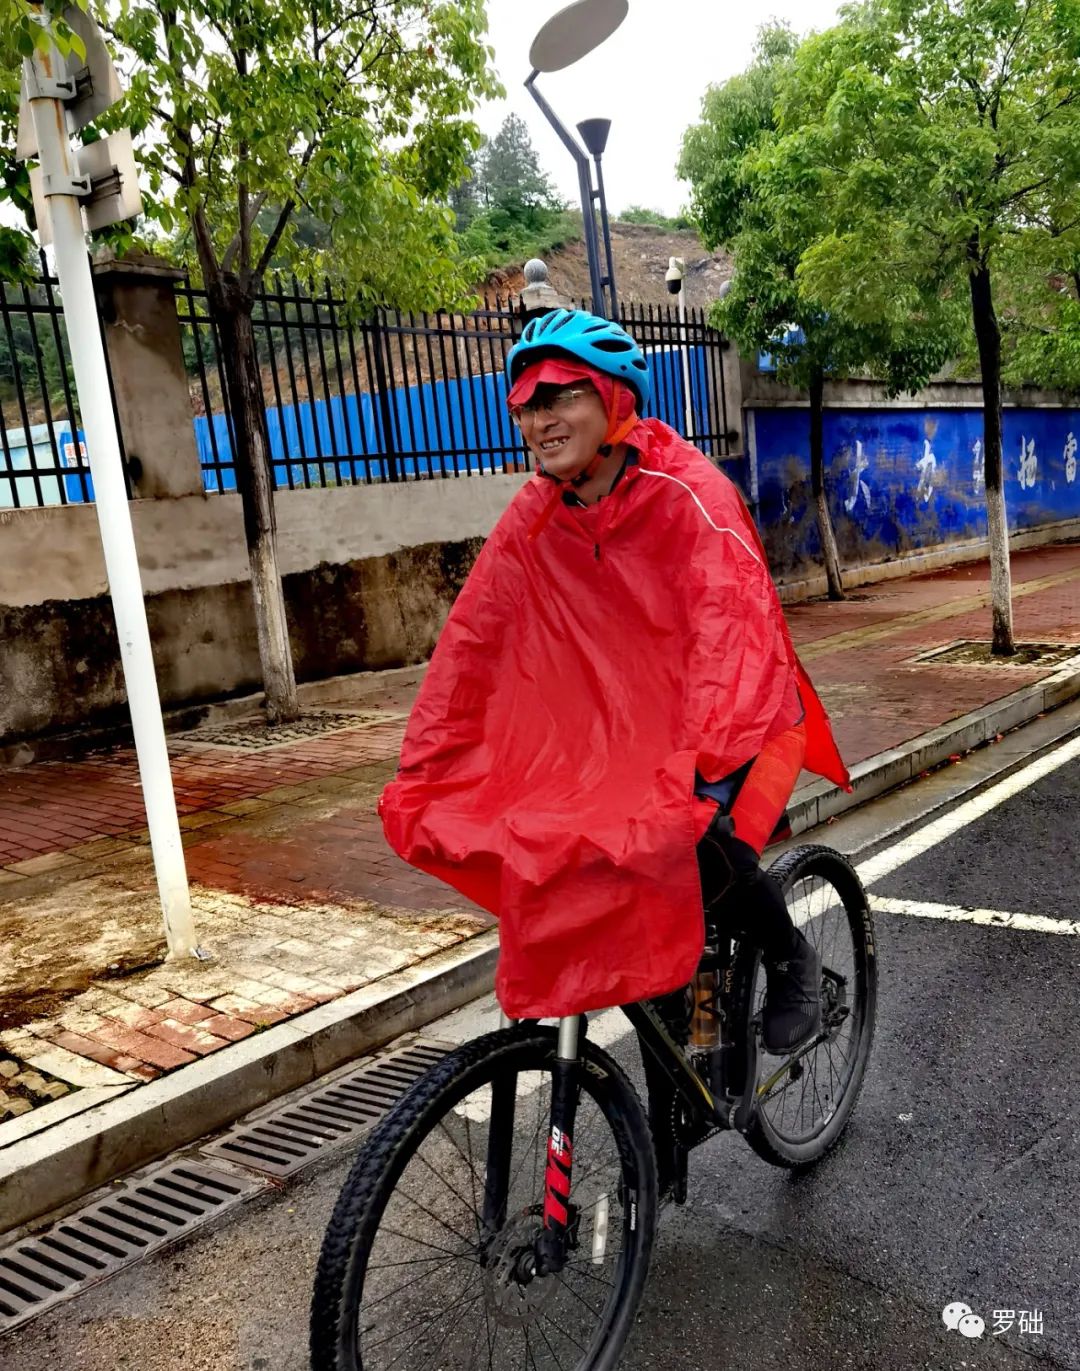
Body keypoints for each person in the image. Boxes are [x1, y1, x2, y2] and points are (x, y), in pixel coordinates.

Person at [379, 309, 850, 1055]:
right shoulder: (534, 516)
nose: (541, 418)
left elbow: (733, 631)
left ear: (615, 400)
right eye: (529, 403)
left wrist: (690, 768)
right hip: (621, 738)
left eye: (562, 395)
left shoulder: (689, 492)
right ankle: (686, 1059)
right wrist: (432, 764)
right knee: (563, 846)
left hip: (737, 713)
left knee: (688, 839)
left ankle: (791, 956)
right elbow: (473, 644)